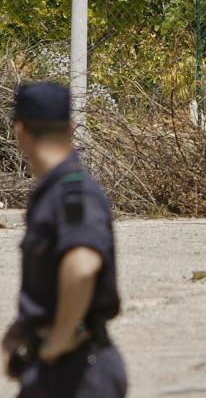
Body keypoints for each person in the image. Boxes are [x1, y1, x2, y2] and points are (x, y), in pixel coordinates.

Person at [1, 82, 127, 398]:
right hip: (53, 370)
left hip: (79, 374)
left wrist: (58, 338)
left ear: (20, 131)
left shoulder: (73, 193)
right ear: (71, 128)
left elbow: (82, 266)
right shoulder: (53, 193)